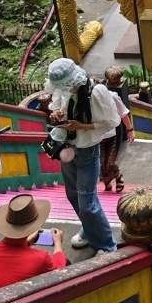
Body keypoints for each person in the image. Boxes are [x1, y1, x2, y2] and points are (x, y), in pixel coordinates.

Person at [43, 58, 116, 253]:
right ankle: (89, 230)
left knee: (87, 204)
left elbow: (110, 122)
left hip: (87, 150)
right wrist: (57, 115)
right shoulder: (65, 90)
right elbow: (58, 107)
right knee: (72, 194)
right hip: (67, 146)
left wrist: (80, 126)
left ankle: (107, 245)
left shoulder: (96, 92)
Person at [0, 194, 66, 293]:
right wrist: (58, 243)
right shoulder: (41, 258)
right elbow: (60, 271)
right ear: (33, 227)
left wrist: (27, 243)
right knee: (66, 262)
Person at [98, 80, 134, 193]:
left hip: (113, 133)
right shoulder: (88, 99)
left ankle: (117, 175)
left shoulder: (112, 96)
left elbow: (123, 114)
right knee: (101, 163)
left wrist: (130, 130)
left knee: (109, 162)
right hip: (97, 135)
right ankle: (108, 181)